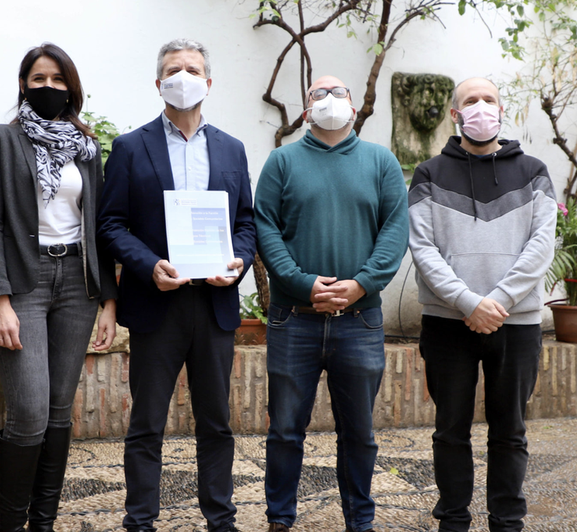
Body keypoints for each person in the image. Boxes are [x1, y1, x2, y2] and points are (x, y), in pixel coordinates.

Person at [98, 38, 257, 532]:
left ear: (208, 82)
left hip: (214, 302)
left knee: (216, 423)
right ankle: (140, 520)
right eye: (173, 70)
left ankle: (221, 519)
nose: (182, 77)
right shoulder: (130, 147)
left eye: (192, 69)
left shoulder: (231, 148)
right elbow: (111, 224)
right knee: (147, 423)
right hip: (156, 303)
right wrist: (148, 266)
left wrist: (238, 261)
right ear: (158, 82)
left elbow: (246, 222)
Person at [254, 76, 409, 532]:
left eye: (338, 92)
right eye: (317, 94)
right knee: (285, 430)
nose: (329, 99)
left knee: (359, 433)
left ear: (353, 106)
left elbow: (395, 229)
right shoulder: (282, 161)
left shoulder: (381, 161)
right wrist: (302, 284)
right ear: (306, 111)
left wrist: (362, 283)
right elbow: (265, 227)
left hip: (360, 320)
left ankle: (360, 520)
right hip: (293, 319)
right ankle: (280, 519)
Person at [0, 43, 118, 532]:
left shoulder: (87, 147)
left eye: (58, 80)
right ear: (23, 84)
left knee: (59, 411)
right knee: (30, 410)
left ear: (71, 87)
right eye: (39, 79)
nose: (49, 87)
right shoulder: (1, 139)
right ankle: (11, 525)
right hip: (23, 283)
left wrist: (108, 300)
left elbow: (96, 225)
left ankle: (43, 523)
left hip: (77, 282)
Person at [408, 77, 557, 532]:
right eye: (470, 101)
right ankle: (453, 521)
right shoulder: (428, 174)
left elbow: (541, 246)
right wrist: (468, 302)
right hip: (447, 323)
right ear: (455, 114)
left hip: (516, 322)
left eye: (488, 99)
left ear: (501, 109)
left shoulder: (534, 171)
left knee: (510, 432)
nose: (480, 107)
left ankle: (507, 523)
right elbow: (423, 248)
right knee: (450, 431)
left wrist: (498, 301)